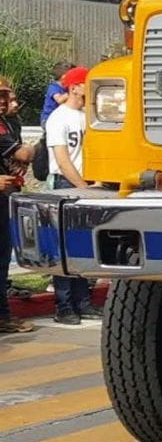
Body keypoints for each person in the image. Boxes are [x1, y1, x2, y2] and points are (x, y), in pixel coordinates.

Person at [46, 66, 100, 324]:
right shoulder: (59, 118)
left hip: (88, 185)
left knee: (83, 247)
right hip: (66, 185)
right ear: (74, 87)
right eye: (85, 84)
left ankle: (83, 301)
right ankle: (64, 306)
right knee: (64, 248)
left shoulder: (87, 117)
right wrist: (82, 186)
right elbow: (62, 159)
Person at [0, 77, 35, 334]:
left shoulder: (7, 123)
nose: (4, 102)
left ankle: (2, 316)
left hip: (6, 199)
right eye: (0, 96)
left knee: (2, 261)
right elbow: (23, 153)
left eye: (6, 96)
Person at [40, 61, 73, 127]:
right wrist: (71, 92)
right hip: (48, 119)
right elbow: (59, 100)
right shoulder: (53, 87)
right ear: (64, 77)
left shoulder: (67, 87)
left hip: (61, 119)